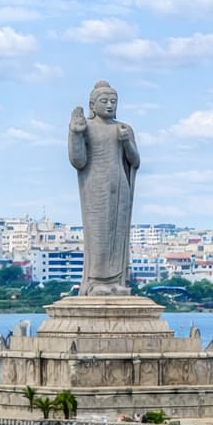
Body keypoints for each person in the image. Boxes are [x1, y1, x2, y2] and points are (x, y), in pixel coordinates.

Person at [69, 81, 140, 296]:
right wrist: (76, 134)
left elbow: (134, 161)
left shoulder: (123, 128)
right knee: (98, 234)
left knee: (118, 236)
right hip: (95, 186)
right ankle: (96, 281)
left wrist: (127, 142)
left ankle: (116, 282)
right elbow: (78, 161)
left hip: (120, 186)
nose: (110, 105)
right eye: (104, 101)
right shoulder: (86, 127)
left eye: (113, 101)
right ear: (92, 104)